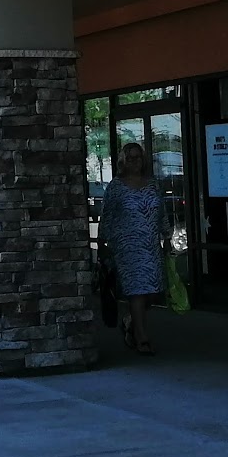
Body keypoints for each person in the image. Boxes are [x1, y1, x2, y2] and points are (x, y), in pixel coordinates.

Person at [99, 142, 166, 355]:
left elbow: (161, 212)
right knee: (137, 291)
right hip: (127, 246)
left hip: (151, 245)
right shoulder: (116, 187)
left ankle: (130, 322)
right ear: (122, 161)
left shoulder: (152, 184)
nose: (135, 162)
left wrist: (166, 235)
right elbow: (107, 215)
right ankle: (142, 338)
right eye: (130, 158)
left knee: (152, 294)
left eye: (138, 157)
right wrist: (102, 243)